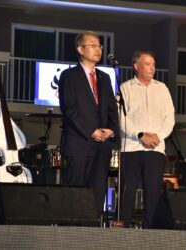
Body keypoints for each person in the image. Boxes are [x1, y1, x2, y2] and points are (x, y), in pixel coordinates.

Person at [58, 31, 118, 217]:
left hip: (101, 147)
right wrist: (90, 131)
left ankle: (91, 232)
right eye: (92, 45)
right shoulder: (69, 76)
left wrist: (112, 129)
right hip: (79, 144)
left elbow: (111, 108)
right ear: (80, 49)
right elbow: (69, 110)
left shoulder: (104, 77)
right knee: (75, 193)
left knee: (97, 193)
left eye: (99, 45)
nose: (98, 49)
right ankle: (69, 234)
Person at [119, 50, 175, 228]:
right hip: (132, 149)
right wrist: (140, 135)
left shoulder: (162, 88)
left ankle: (149, 232)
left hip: (155, 149)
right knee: (128, 192)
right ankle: (121, 230)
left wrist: (158, 136)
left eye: (154, 64)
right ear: (136, 66)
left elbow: (170, 117)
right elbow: (121, 118)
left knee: (152, 193)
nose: (153, 67)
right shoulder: (125, 88)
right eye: (148, 63)